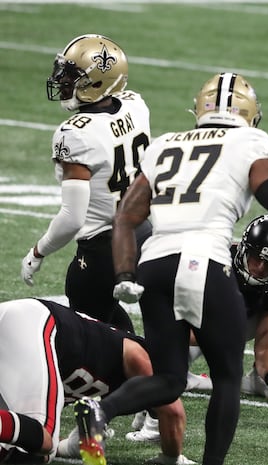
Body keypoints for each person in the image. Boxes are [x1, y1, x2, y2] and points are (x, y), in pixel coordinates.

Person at [72, 71, 268, 465]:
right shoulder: (250, 141)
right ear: (250, 114)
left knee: (168, 379)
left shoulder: (165, 143)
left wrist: (124, 274)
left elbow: (125, 218)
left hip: (154, 264)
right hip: (204, 258)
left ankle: (99, 413)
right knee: (226, 376)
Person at [128, 214, 268, 443]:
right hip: (191, 321)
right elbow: (176, 323)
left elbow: (267, 338)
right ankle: (155, 402)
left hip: (233, 323)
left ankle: (254, 378)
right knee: (166, 371)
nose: (258, 268)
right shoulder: (218, 264)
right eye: (256, 257)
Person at [20, 33, 152, 333]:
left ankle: (149, 374)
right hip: (144, 232)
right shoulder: (136, 106)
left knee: (87, 335)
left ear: (96, 82)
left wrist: (38, 251)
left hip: (104, 249)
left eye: (71, 76)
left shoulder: (75, 133)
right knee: (118, 323)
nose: (63, 82)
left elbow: (72, 217)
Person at [0, 298, 193, 465]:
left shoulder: (110, 386)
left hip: (23, 326)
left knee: (22, 448)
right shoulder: (140, 357)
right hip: (31, 323)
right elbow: (174, 413)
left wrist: (74, 444)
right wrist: (171, 457)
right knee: (42, 439)